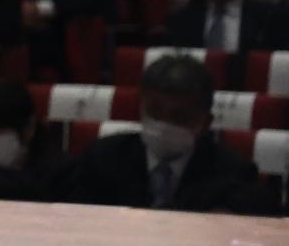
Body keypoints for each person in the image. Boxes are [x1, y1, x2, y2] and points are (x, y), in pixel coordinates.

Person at [52, 55, 275, 215]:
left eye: (180, 116)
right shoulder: (104, 158)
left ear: (205, 122)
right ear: (141, 109)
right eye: (155, 113)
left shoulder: (231, 172)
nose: (165, 124)